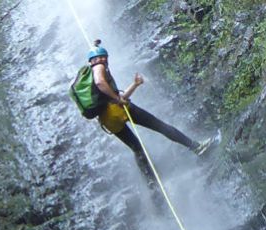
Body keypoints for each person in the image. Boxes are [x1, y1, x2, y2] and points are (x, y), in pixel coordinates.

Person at [86, 39, 215, 191]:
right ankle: (196, 147)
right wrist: (116, 99)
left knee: (136, 148)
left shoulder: (92, 82)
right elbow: (104, 85)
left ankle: (151, 184)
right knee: (159, 125)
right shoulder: (99, 68)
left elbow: (119, 97)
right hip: (117, 110)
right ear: (103, 58)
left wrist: (135, 84)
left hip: (108, 120)